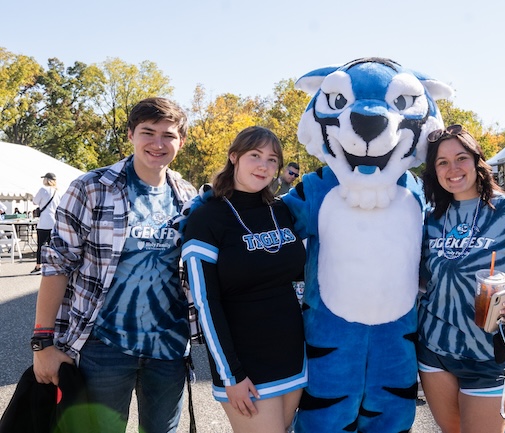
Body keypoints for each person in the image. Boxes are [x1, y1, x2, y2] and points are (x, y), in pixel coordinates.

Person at [31, 97, 197, 433]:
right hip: (103, 348)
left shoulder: (188, 197)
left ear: (181, 141)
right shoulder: (91, 188)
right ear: (130, 135)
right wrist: (42, 343)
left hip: (168, 349)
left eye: (169, 135)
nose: (158, 143)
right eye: (148, 132)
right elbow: (57, 264)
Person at [418, 124, 505, 433]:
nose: (453, 168)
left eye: (461, 157)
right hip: (434, 348)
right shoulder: (431, 216)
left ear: (476, 160)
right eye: (442, 162)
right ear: (434, 171)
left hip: (490, 350)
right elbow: (422, 278)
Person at [181, 126, 306, 433]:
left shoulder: (281, 210)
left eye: (272, 159)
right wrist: (230, 374)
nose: (264, 165)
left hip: (293, 358)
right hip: (244, 365)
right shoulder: (207, 218)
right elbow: (205, 302)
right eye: (255, 155)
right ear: (233, 157)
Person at [31, 172, 61, 275]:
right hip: (55, 222)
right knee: (54, 246)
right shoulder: (58, 192)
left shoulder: (43, 189)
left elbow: (35, 201)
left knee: (41, 245)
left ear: (46, 180)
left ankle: (38, 266)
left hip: (44, 222)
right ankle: (54, 265)